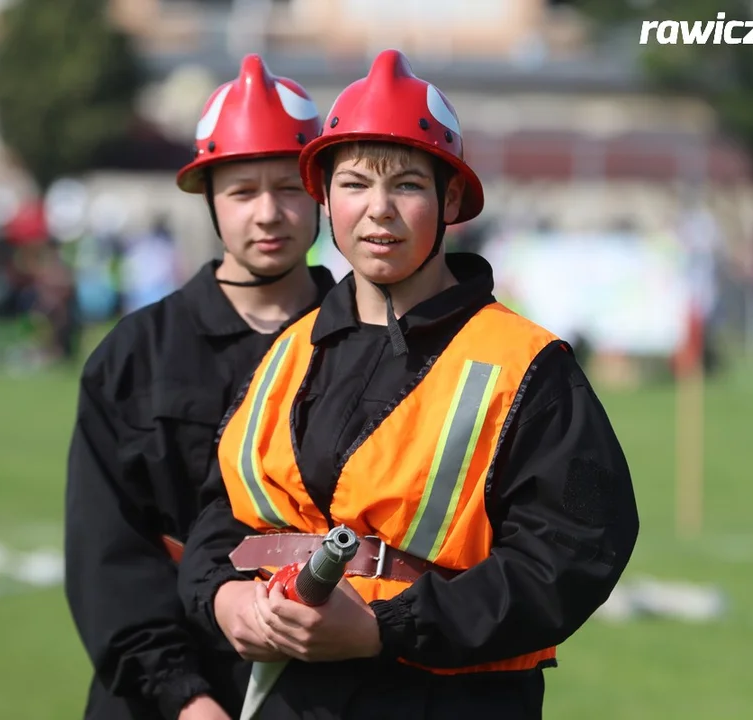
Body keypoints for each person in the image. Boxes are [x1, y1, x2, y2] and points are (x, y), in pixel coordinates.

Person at [178, 49, 640, 719]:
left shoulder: (525, 365)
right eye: (356, 183)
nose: (379, 211)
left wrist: (380, 628)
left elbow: (571, 555)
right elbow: (222, 513)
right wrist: (224, 598)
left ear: (451, 197)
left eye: (408, 186)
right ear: (325, 197)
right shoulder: (287, 354)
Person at [65, 54, 336, 720]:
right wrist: (183, 698)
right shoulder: (134, 357)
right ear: (208, 198)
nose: (268, 213)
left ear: (322, 193)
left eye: (288, 187)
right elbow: (109, 556)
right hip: (162, 702)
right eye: (242, 191)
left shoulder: (372, 346)